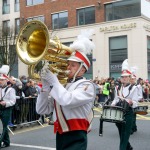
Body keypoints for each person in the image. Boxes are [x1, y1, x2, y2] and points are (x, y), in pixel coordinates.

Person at [36, 30, 96, 150]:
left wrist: (53, 81)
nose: (68, 67)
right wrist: (45, 88)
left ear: (83, 70)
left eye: (73, 65)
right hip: (60, 135)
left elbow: (67, 100)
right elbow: (42, 109)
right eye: (68, 64)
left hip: (76, 135)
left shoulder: (87, 86)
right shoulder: (63, 86)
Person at [111, 59, 139, 150]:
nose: (124, 78)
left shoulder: (134, 88)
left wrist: (131, 102)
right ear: (120, 78)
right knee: (121, 134)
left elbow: (135, 103)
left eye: (126, 77)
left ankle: (123, 148)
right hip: (118, 113)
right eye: (123, 77)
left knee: (125, 134)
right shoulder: (117, 88)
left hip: (128, 113)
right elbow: (115, 99)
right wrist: (113, 104)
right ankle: (129, 147)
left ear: (129, 77)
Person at [0, 65, 16, 148]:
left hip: (6, 109)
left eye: (2, 80)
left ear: (6, 80)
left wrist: (5, 103)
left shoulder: (11, 90)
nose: (0, 81)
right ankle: (7, 142)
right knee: (3, 126)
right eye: (0, 80)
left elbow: (13, 101)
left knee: (4, 126)